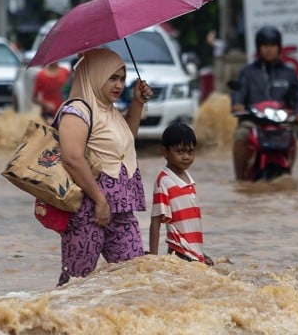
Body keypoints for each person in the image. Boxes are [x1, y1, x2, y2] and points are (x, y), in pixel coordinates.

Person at [56, 47, 153, 286]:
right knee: (77, 283)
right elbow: (72, 158)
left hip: (121, 208)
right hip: (87, 211)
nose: (119, 85)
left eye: (122, 78)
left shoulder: (109, 111)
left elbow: (124, 142)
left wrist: (137, 103)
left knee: (134, 279)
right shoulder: (76, 111)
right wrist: (99, 201)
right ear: (95, 75)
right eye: (112, 78)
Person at [230, 25, 298, 181]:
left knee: (292, 136)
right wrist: (237, 104)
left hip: (281, 123)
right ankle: (240, 178)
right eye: (265, 45)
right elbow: (239, 92)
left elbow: (297, 97)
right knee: (240, 135)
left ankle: (288, 172)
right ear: (259, 48)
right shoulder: (248, 72)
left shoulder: (289, 73)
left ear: (279, 48)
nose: (268, 49)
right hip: (253, 122)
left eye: (272, 45)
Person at [149, 122, 213, 265]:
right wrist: (152, 259)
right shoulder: (164, 182)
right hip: (179, 254)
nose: (186, 157)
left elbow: (190, 225)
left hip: (193, 254)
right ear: (165, 152)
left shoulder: (189, 180)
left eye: (190, 152)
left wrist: (200, 253)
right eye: (180, 152)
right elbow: (155, 221)